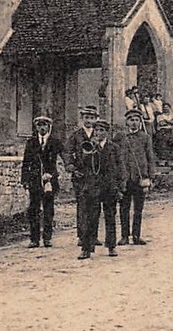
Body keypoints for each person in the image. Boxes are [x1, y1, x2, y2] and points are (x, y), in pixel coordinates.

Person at [21, 114, 66, 248]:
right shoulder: (31, 143)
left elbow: (64, 157)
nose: (42, 128)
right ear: (36, 127)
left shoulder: (55, 142)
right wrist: (25, 180)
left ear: (49, 127)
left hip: (50, 182)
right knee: (33, 210)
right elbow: (26, 163)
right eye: (39, 125)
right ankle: (34, 239)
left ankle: (47, 238)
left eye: (44, 125)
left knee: (48, 209)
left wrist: (54, 174)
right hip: (35, 181)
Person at [119, 108, 156, 246]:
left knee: (138, 209)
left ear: (140, 122)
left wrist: (150, 176)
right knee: (124, 208)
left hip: (140, 178)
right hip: (124, 178)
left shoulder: (145, 138)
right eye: (131, 120)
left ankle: (136, 236)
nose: (134, 123)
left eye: (137, 120)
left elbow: (150, 158)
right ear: (126, 122)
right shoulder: (120, 137)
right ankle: (124, 236)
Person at [65, 104, 99, 244]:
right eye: (86, 117)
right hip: (80, 174)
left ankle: (93, 236)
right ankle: (82, 236)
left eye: (91, 118)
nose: (89, 120)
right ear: (82, 118)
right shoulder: (76, 135)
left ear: (95, 119)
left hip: (96, 174)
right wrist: (71, 165)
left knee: (96, 205)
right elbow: (66, 151)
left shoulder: (99, 133)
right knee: (82, 205)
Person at [92, 117, 127, 256]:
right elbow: (83, 165)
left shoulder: (114, 148)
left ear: (107, 132)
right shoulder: (88, 146)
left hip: (110, 187)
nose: (98, 133)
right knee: (91, 217)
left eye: (101, 130)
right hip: (93, 187)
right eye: (96, 130)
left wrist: (121, 186)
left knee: (110, 217)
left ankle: (111, 246)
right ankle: (87, 248)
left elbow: (121, 167)